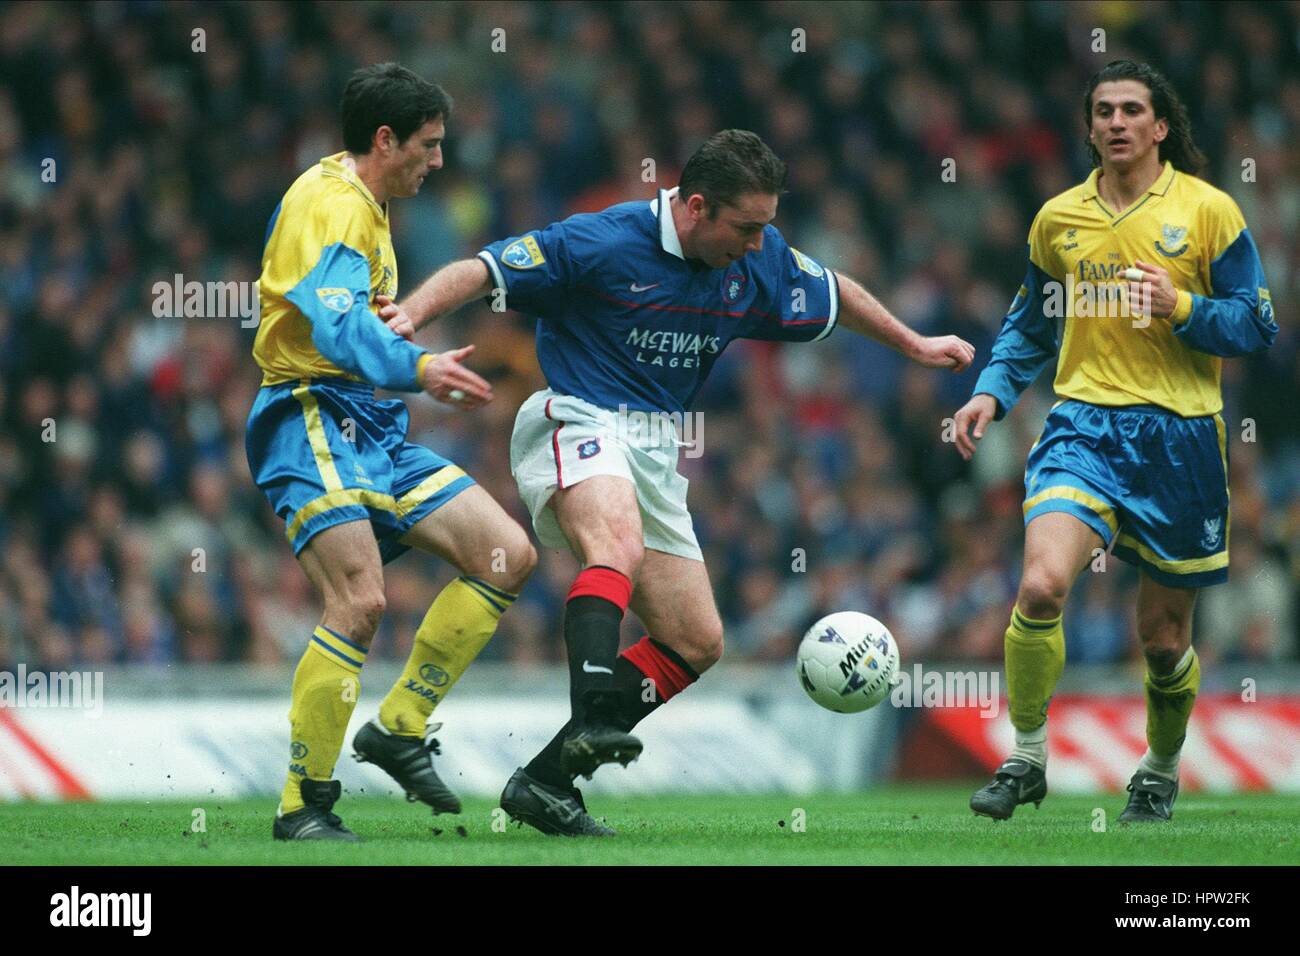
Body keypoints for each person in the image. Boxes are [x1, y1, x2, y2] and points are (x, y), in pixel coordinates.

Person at [382, 129, 974, 835]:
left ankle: (545, 782)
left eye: (766, 227)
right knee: (616, 547)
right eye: (746, 227)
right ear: (696, 207)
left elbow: (832, 293)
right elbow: (480, 270)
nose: (759, 244)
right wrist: (410, 317)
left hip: (657, 445)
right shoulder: (602, 241)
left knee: (696, 640)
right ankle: (593, 711)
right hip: (576, 414)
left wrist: (914, 343)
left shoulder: (757, 257)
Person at [952, 60, 1276, 823]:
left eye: (1132, 110)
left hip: (1181, 441)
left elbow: (1256, 323)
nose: (1118, 122)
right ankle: (1027, 756)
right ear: (1091, 128)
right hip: (1083, 427)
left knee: (1162, 642)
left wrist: (1181, 305)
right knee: (1040, 586)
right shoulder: (1057, 219)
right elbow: (1029, 326)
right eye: (1104, 111)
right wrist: (990, 392)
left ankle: (1158, 771)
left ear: (1160, 126)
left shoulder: (1209, 211)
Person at [245, 63, 536, 841]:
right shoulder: (333, 204)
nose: (437, 161)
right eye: (428, 145)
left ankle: (399, 728)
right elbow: (336, 329)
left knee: (506, 555)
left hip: (369, 425)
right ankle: (302, 804)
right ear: (385, 139)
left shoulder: (365, 205)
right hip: (309, 412)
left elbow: (351, 316)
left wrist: (398, 348)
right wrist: (420, 367)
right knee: (360, 602)